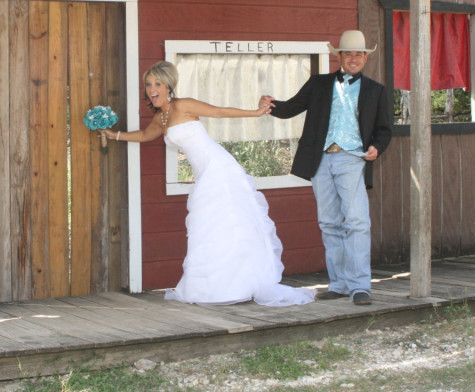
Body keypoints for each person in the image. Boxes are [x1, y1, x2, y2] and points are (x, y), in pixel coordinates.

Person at [102, 61, 316, 307]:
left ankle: (239, 283)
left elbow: (218, 111)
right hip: (205, 173)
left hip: (220, 170)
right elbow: (144, 135)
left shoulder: (182, 105)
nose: (152, 89)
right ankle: (217, 286)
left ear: (168, 85)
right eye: (149, 84)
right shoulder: (162, 116)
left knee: (227, 224)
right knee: (210, 226)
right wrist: (115, 135)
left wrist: (255, 113)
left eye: (157, 84)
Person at [259, 30, 392, 306]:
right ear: (339, 57)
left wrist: (377, 147)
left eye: (359, 54)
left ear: (365, 58)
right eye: (348, 53)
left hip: (352, 159)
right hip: (320, 160)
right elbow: (291, 107)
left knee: (356, 222)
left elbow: (384, 129)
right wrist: (270, 104)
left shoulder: (376, 91)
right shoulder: (319, 84)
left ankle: (359, 286)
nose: (353, 58)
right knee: (329, 223)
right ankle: (340, 284)